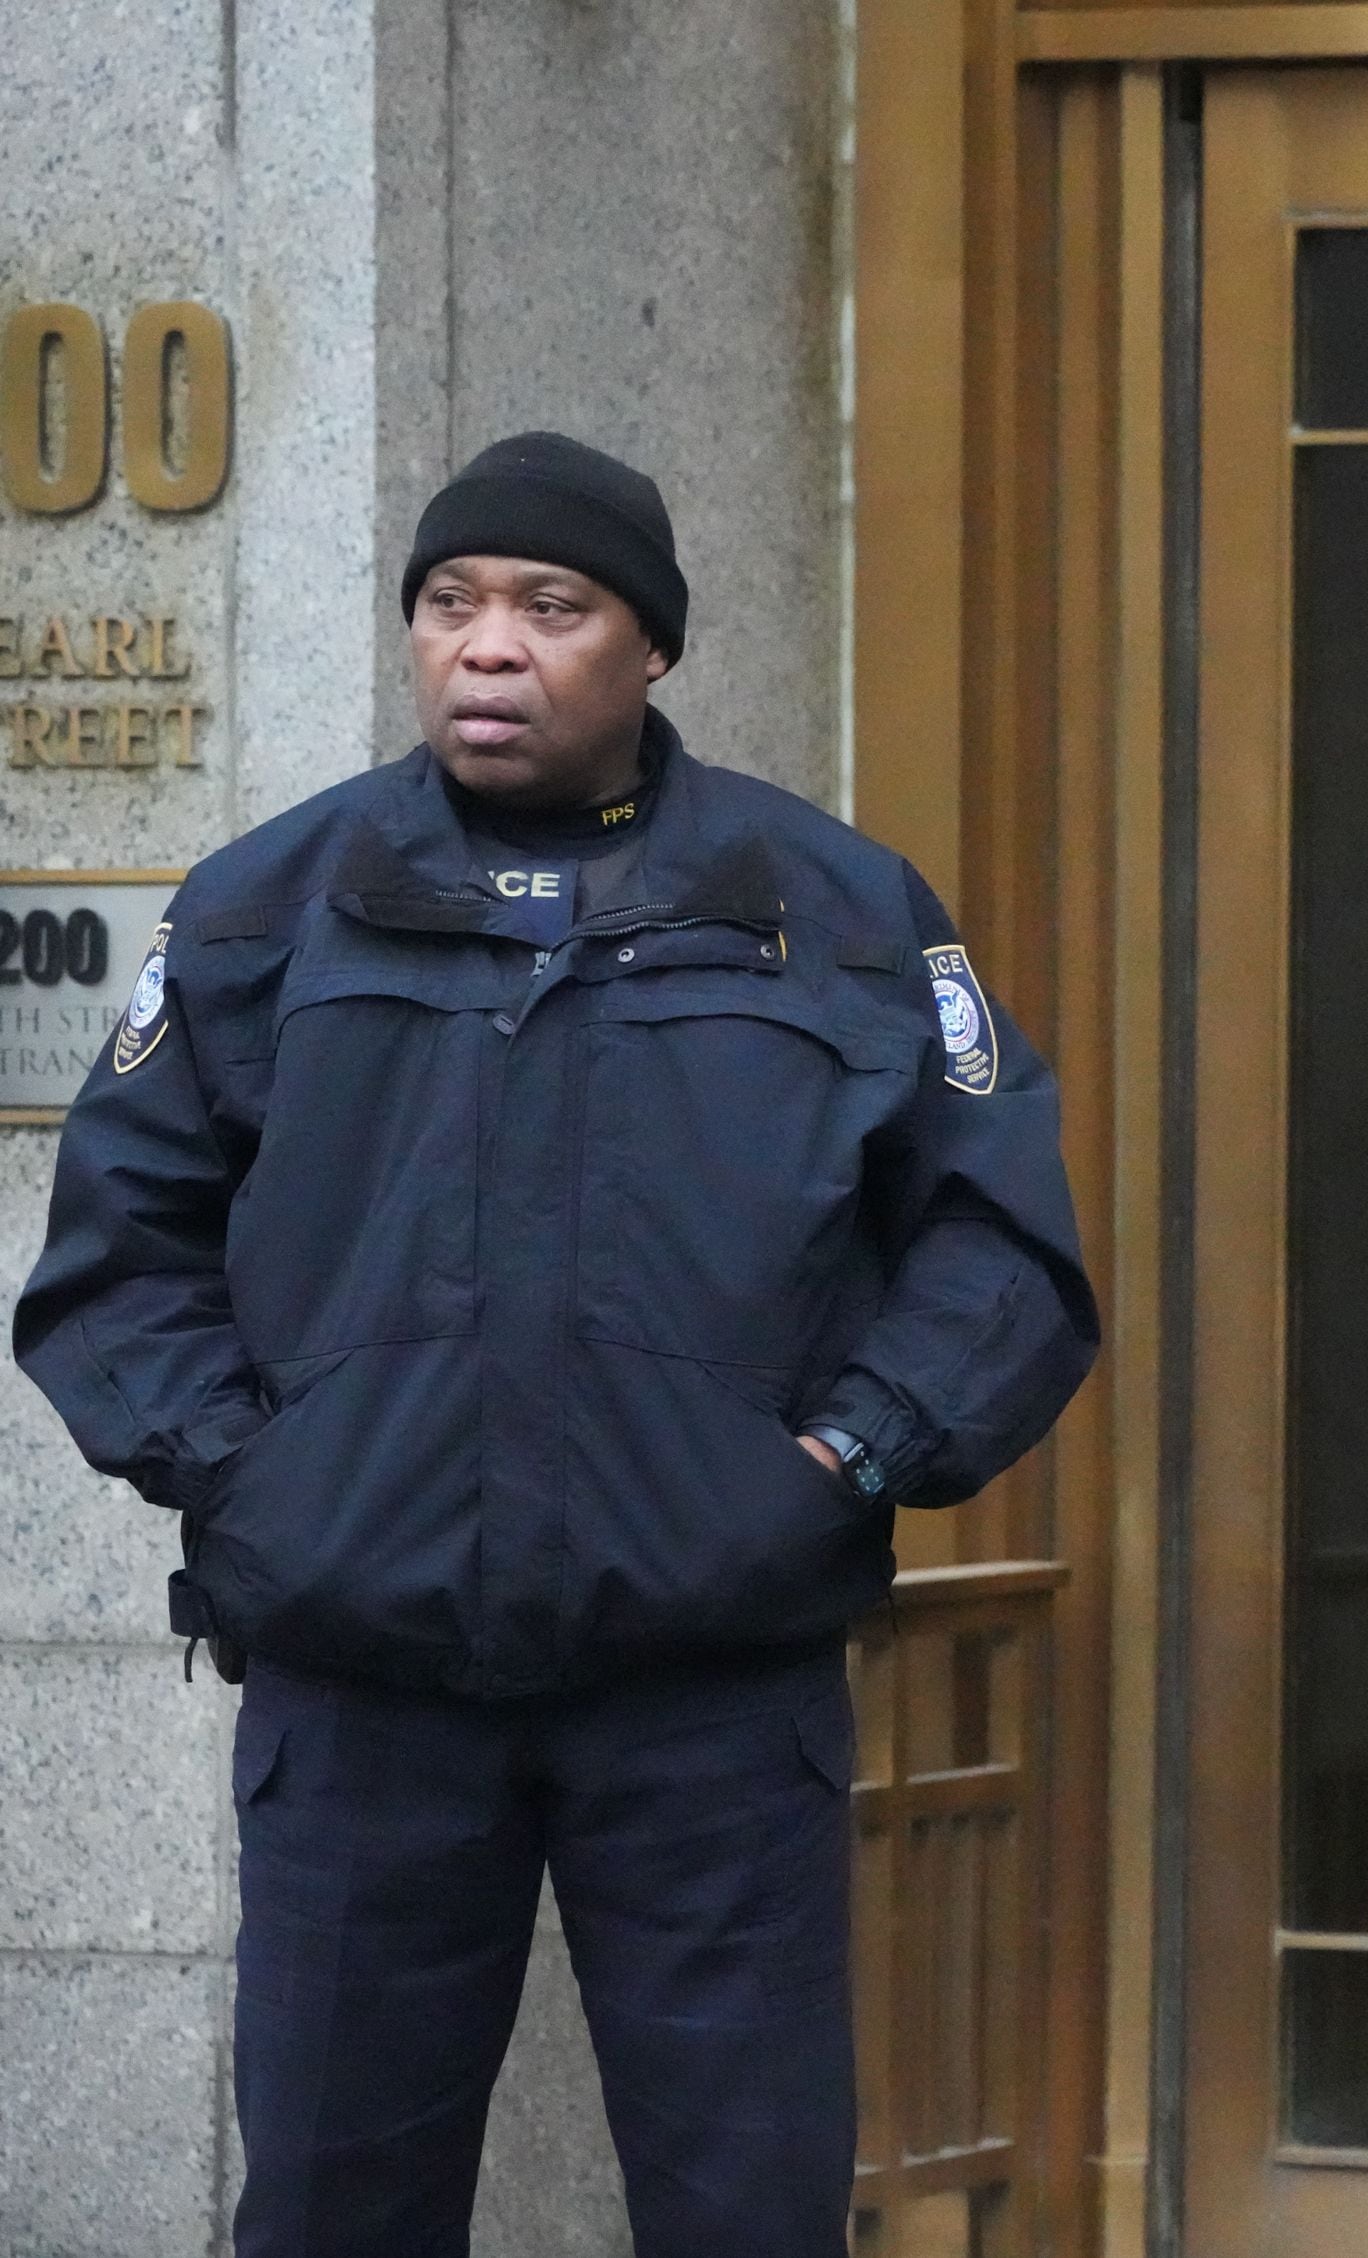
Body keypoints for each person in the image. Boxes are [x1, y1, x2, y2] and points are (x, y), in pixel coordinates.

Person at [13, 431, 1101, 2258]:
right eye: (449, 603)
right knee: (334, 2212)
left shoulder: (836, 910)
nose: (488, 645)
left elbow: (1002, 1246)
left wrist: (842, 1459)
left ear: (651, 644)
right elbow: (115, 1261)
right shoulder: (267, 908)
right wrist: (264, 1481)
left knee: (746, 2212)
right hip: (363, 1699)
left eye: (549, 605)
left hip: (713, 1700)